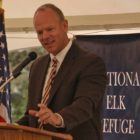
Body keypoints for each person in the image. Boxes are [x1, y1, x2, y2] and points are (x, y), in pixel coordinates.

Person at [17, 3, 107, 140]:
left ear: (64, 25)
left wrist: (58, 118)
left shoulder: (91, 63)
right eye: (39, 32)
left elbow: (85, 105)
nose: (44, 36)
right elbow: (33, 115)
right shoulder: (37, 66)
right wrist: (11, 126)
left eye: (50, 29)